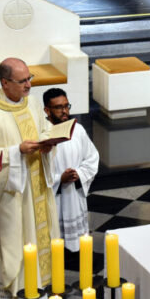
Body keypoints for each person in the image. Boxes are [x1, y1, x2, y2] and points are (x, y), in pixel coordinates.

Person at [0, 58, 59, 299]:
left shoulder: (31, 103)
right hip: (13, 195)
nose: (29, 85)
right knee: (17, 246)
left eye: (30, 78)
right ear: (5, 83)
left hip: (38, 189)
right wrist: (15, 152)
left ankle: (39, 298)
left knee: (40, 239)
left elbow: (43, 129)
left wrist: (48, 142)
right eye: (23, 81)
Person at [44, 88, 99, 252]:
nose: (65, 111)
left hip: (74, 194)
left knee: (78, 246)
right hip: (56, 196)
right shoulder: (42, 135)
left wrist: (79, 174)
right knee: (55, 245)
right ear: (47, 110)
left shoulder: (78, 130)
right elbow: (36, 171)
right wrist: (59, 178)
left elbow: (92, 157)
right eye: (59, 107)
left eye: (67, 106)